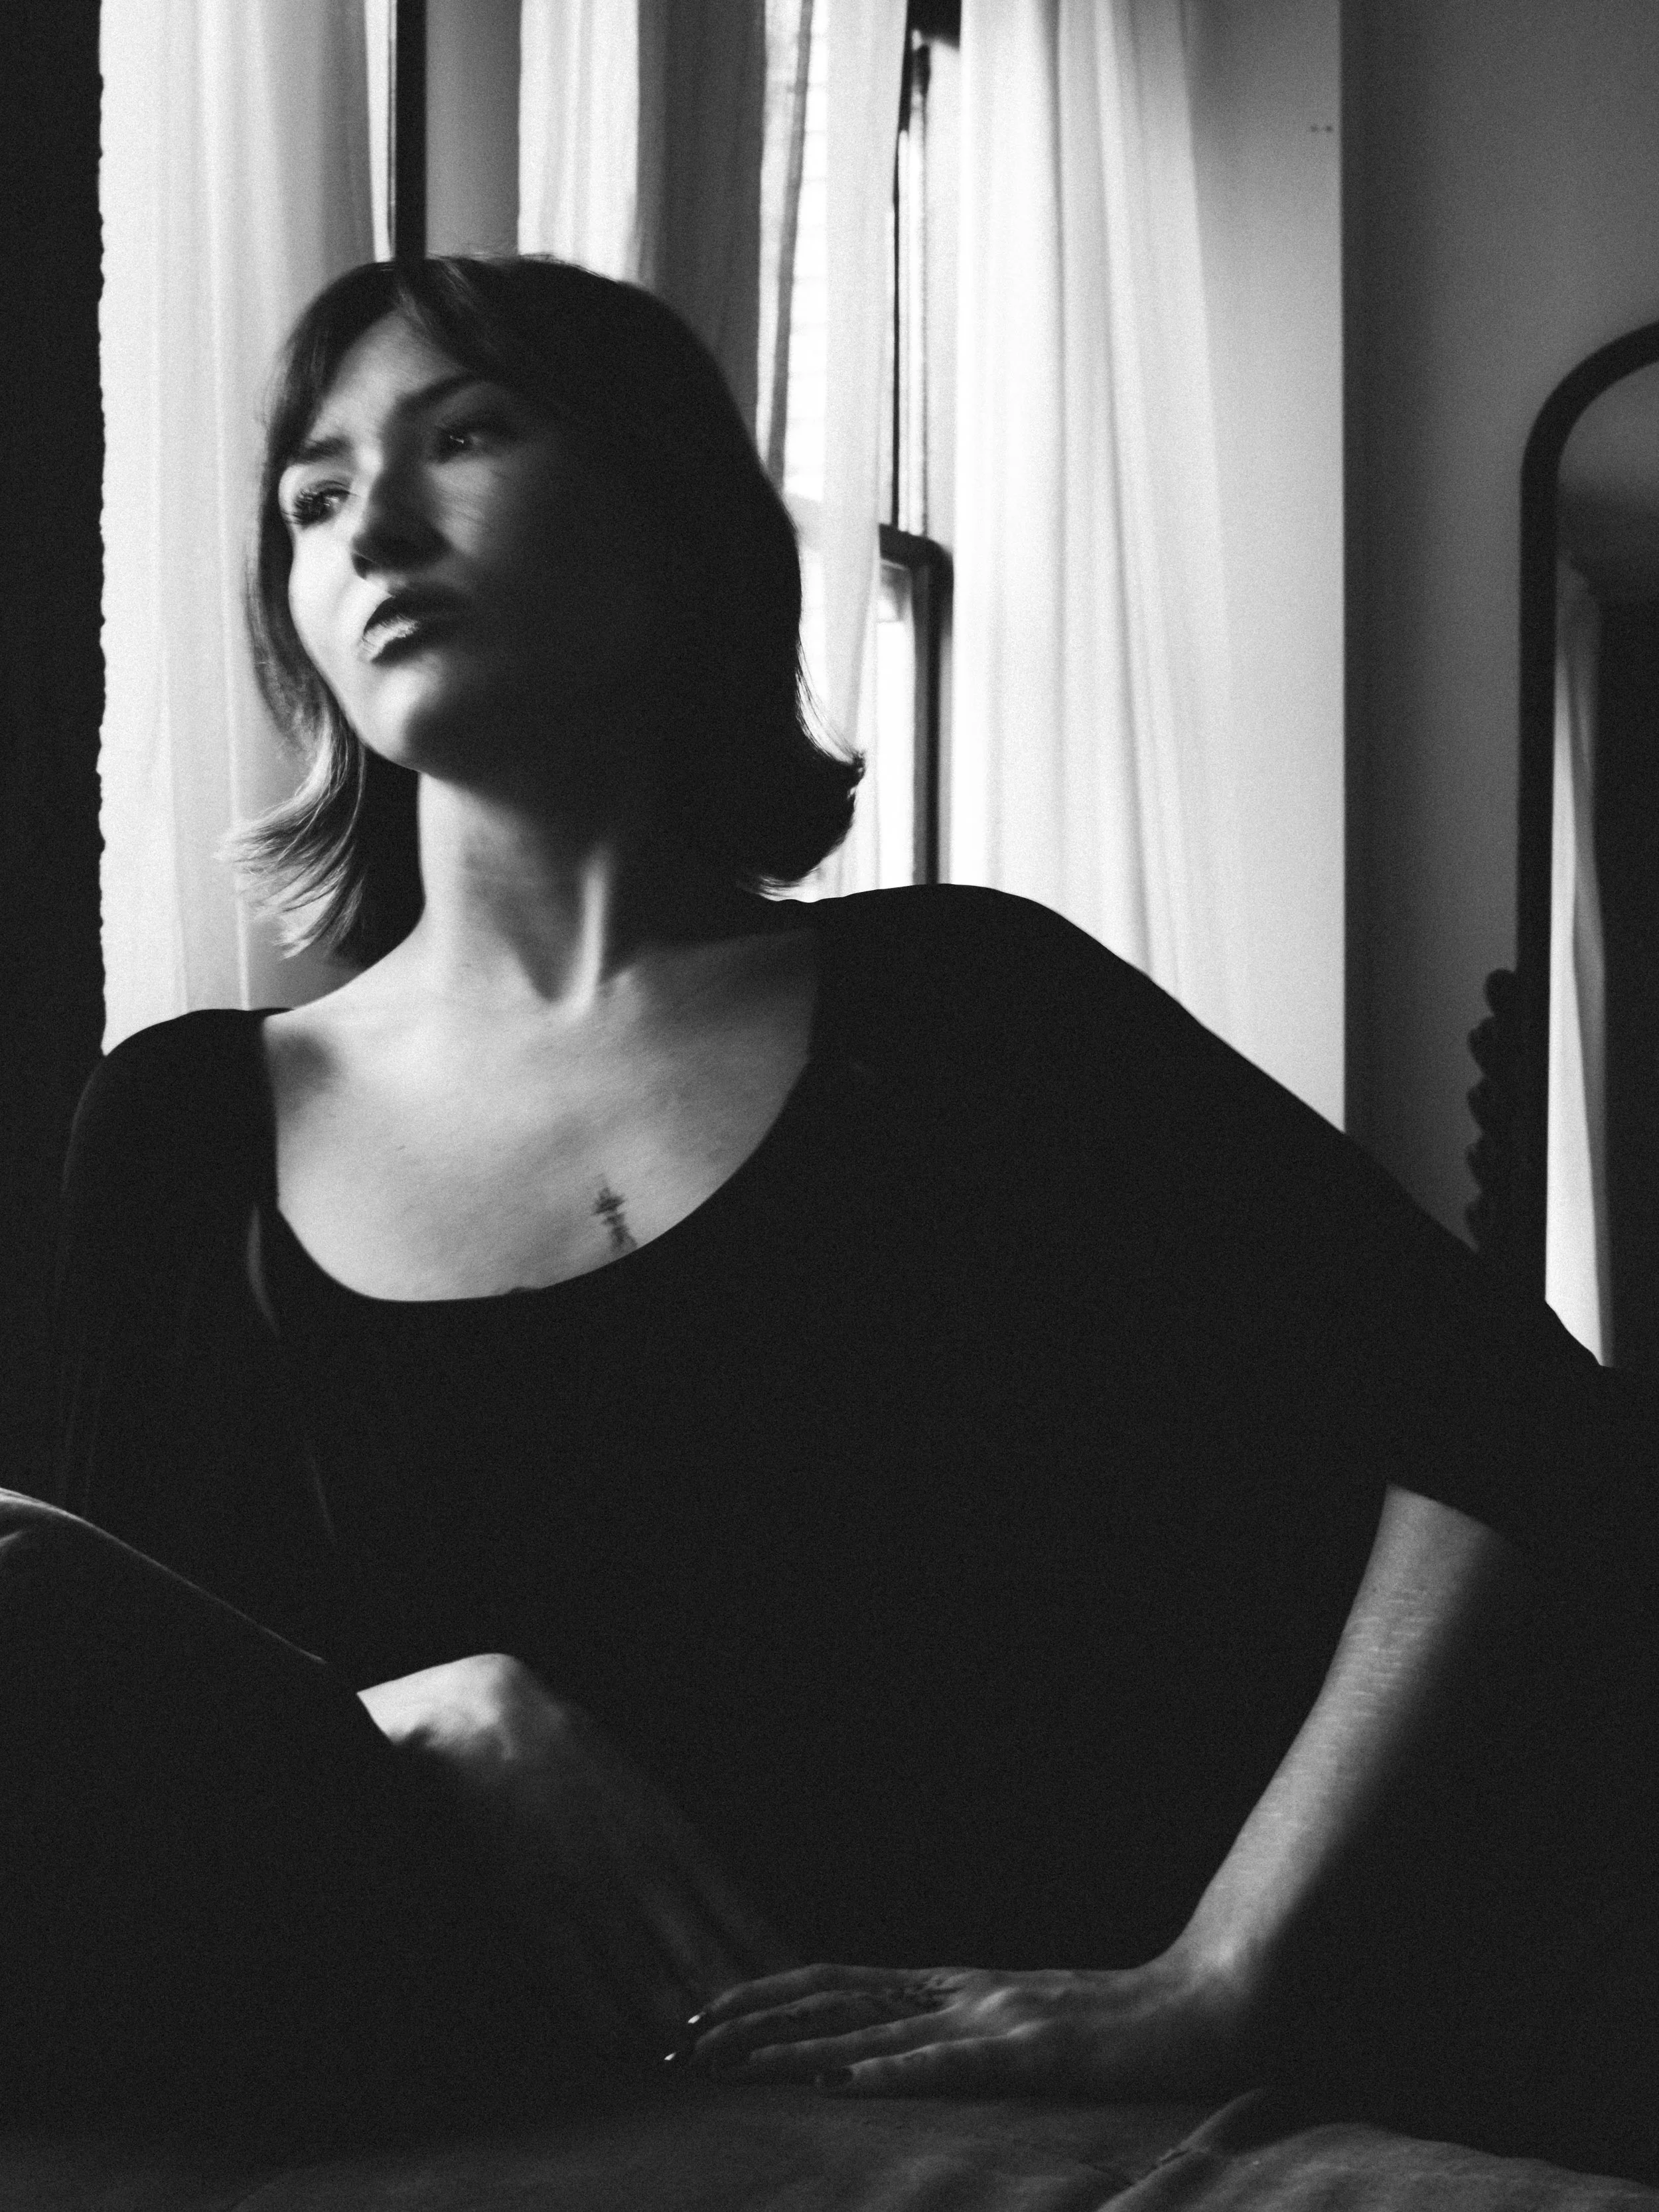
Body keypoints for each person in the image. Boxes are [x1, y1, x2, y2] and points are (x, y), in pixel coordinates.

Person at [15, 254, 1659, 2169]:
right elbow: (137, 1730)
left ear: (671, 523)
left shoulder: (971, 1008)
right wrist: (435, 1708)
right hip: (488, 2116)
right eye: (310, 496)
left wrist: (1220, 1974)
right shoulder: (186, 1127)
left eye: (464, 437)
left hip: (1039, 2105)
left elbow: (1518, 1432)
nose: (371, 523)